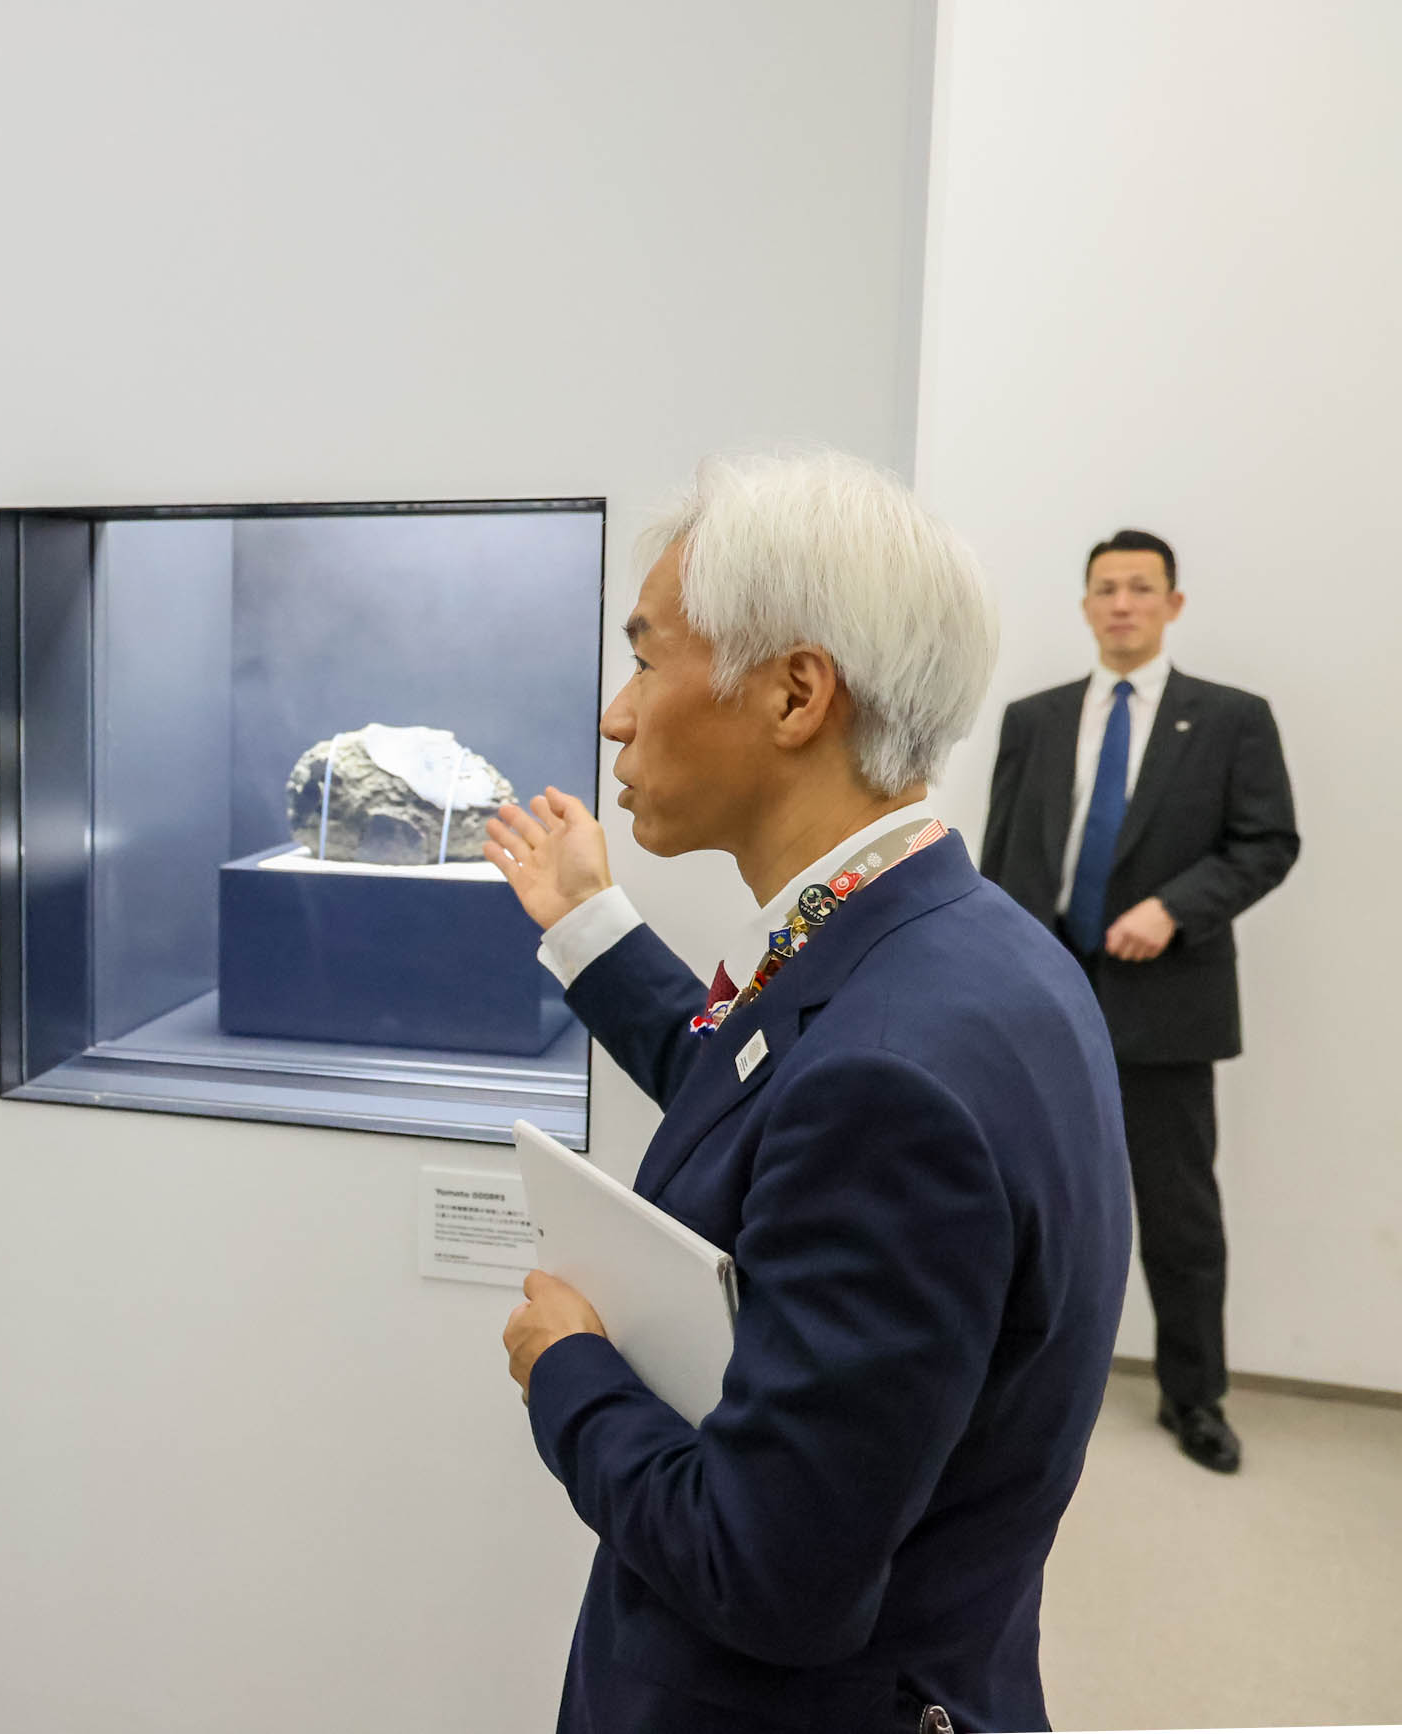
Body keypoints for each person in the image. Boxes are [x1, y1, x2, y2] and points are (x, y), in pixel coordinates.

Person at [482, 452, 1130, 1734]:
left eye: (646, 658)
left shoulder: (890, 1086)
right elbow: (767, 1085)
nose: (615, 715)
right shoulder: (958, 949)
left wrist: (568, 1372)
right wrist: (588, 926)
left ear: (792, 694)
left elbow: (764, 1573)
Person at [980, 530, 1298, 1474]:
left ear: (1173, 604)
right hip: (1043, 999)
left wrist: (1173, 908)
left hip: (1166, 1007)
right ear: (1085, 606)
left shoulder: (1233, 719)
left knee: (1180, 1214)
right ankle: (998, 1385)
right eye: (1106, 589)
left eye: (1141, 588)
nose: (1123, 603)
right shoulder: (1034, 719)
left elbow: (1266, 842)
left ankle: (1193, 1399)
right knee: (1018, 1201)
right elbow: (1001, 859)